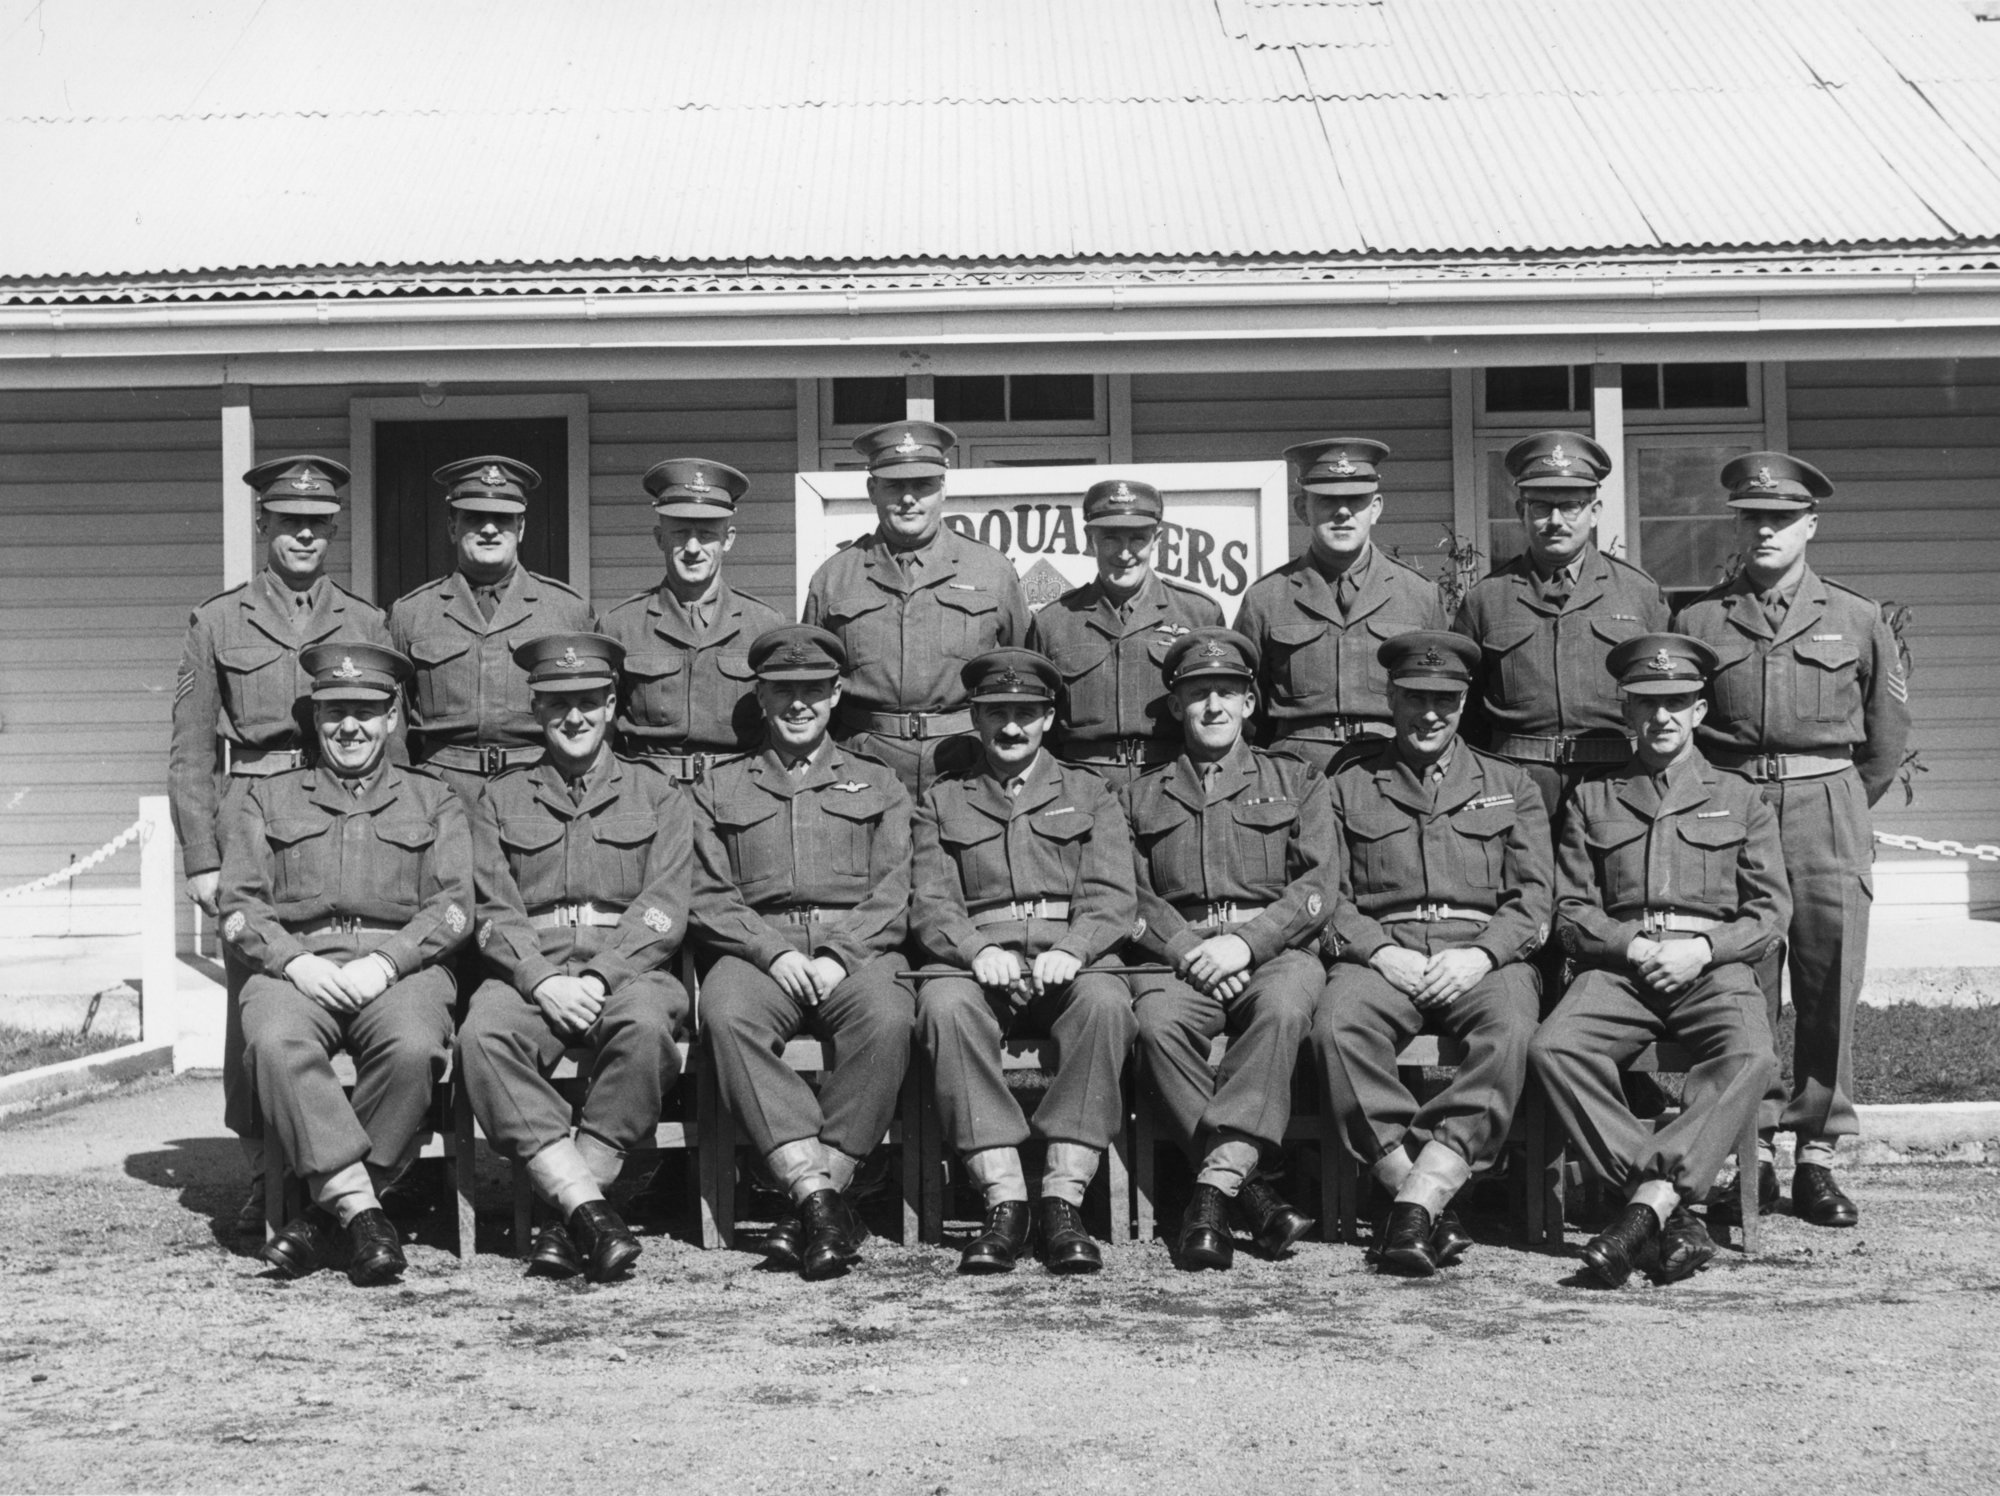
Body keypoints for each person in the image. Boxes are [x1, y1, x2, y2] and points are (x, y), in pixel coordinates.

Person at [1672, 453, 1910, 1229]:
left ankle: (1816, 1155)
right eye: (1754, 517)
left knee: (1827, 976)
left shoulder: (1856, 616)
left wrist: (1833, 798)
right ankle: (1754, 1148)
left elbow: (1884, 740)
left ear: (1811, 525)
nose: (1767, 529)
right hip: (1733, 809)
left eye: (1783, 517)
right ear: (1737, 527)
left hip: (1826, 805)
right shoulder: (1700, 622)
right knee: (1743, 977)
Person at [168, 454, 395, 1231]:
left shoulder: (366, 623)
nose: (304, 535)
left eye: (318, 524)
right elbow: (191, 750)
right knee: (256, 1006)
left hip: (344, 814)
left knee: (368, 999)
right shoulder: (218, 620)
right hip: (253, 817)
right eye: (289, 522)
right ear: (263, 525)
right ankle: (268, 1168)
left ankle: (352, 1169)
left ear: (333, 529)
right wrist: (202, 857)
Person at [1529, 634, 1787, 1288]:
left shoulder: (1741, 796)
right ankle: (1665, 1206)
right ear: (1627, 711)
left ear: (1700, 711)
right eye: (1648, 704)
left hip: (1712, 967)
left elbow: (1768, 911)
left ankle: (1647, 1207)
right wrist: (1634, 947)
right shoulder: (1594, 797)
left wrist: (1702, 949)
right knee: (1555, 1048)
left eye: (1678, 703)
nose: (1662, 717)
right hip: (1623, 968)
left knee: (1751, 1056)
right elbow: (1571, 909)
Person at [218, 643, 472, 1286]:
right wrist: (294, 963)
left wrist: (388, 963)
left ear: (392, 718)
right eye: (334, 713)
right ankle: (363, 1210)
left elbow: (454, 908)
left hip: (400, 969)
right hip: (297, 970)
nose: (349, 727)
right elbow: (241, 907)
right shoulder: (266, 799)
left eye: (366, 711)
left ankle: (323, 1216)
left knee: (414, 1047)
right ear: (315, 718)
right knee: (274, 1043)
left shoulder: (434, 799)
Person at [1315, 631, 1552, 1276]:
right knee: (1337, 1026)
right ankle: (1421, 1195)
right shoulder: (1346, 785)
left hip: (1480, 955)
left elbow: (1535, 901)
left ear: (1464, 702)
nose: (1428, 715)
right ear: (1389, 698)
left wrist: (1484, 956)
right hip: (1381, 954)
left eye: (1444, 702)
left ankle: (1415, 1196)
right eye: (1414, 699)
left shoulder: (1510, 784)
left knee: (1509, 1032)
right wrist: (1376, 951)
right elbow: (1326, 895)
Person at [457, 633, 692, 1283]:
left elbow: (665, 907)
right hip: (531, 970)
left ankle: (566, 1219)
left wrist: (598, 976)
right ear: (536, 710)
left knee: (645, 1029)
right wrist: (539, 979)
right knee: (482, 1034)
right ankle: (591, 1208)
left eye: (590, 700)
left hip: (630, 967)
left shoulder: (659, 794)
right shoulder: (500, 798)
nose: (575, 717)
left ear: (613, 704)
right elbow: (492, 908)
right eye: (558, 704)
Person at [688, 625, 915, 1280]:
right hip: (757, 949)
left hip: (858, 949)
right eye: (783, 690)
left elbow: (896, 888)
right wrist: (770, 951)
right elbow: (705, 892)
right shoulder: (717, 787)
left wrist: (840, 954)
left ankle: (815, 1199)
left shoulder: (880, 783)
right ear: (760, 696)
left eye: (813, 689)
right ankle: (819, 1196)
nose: (799, 703)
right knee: (727, 1016)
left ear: (836, 692)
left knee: (890, 1019)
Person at [910, 648, 1139, 1275]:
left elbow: (1115, 898)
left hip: (1070, 958)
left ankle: (1063, 1199)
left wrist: (1074, 949)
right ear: (976, 720)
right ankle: (1004, 1200)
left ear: (1048, 719)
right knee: (942, 1004)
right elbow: (930, 902)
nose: (1012, 727)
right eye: (997, 713)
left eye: (1026, 713)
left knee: (1106, 1001)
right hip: (981, 959)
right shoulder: (943, 799)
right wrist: (975, 949)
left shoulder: (1091, 792)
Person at [1123, 628, 1332, 1270]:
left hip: (1274, 951)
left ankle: (1213, 1190)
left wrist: (1246, 944)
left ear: (1249, 703)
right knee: (1155, 1026)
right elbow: (1125, 890)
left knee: (1282, 1012)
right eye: (1197, 694)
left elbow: (1318, 883)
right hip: (1175, 956)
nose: (1212, 706)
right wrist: (1188, 948)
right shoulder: (1138, 794)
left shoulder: (1297, 779)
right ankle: (1254, 1194)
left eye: (1226, 692)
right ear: (1178, 703)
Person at [1453, 431, 1668, 830]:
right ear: (1520, 510)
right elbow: (1465, 718)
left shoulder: (1638, 594)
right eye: (1540, 506)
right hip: (1518, 787)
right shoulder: (1487, 599)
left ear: (1595, 510)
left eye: (1570, 505)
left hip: (1616, 786)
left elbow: (1666, 697)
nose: (1555, 521)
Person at [802, 420, 1029, 796]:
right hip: (862, 764)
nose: (909, 498)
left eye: (922, 485)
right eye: (894, 485)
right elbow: (810, 685)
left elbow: (1022, 675)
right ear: (872, 489)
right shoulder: (834, 578)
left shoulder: (991, 571)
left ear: (943, 488)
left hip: (967, 763)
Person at [387, 455, 595, 804]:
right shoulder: (412, 613)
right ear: (452, 527)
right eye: (473, 518)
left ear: (522, 528)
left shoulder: (566, 612)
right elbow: (392, 723)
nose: (488, 529)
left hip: (539, 789)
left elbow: (596, 717)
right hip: (442, 792)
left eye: (502, 518)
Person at [1232, 438, 1446, 772]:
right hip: (1295, 770)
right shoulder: (1267, 598)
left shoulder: (1418, 595)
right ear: (1302, 509)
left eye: (1356, 500)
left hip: (1390, 767)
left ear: (1375, 507)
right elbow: (1245, 708)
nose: (1343, 512)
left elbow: (1443, 697)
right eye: (1328, 500)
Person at [1027, 478, 1224, 787]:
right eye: (1110, 538)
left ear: (1156, 539)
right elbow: (1036, 721)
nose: (1124, 553)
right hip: (1082, 784)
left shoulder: (1198, 613)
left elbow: (1224, 714)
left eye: (1137, 538)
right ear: (1089, 539)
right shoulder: (1054, 622)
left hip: (1171, 781)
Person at [599, 457, 785, 782]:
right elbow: (602, 728)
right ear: (659, 538)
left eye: (707, 534)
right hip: (648, 792)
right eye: (681, 533)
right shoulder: (620, 626)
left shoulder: (765, 625)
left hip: (737, 792)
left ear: (728, 539)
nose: (693, 548)